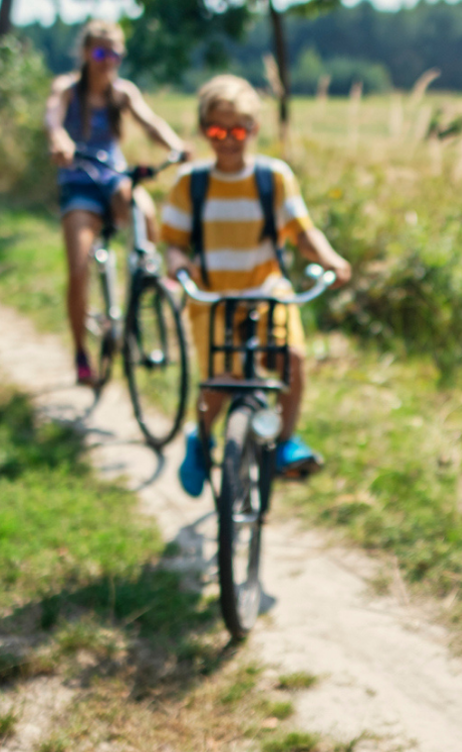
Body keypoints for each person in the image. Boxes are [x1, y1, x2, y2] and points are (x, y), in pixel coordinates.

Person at [158, 75, 352, 495]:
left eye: (238, 130)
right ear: (205, 129)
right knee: (220, 380)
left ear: (254, 129)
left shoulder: (273, 178)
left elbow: (302, 233)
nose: (228, 139)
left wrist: (331, 259)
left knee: (292, 362)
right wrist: (177, 268)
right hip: (213, 298)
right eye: (217, 130)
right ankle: (202, 438)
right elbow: (172, 242)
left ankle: (284, 443)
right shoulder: (190, 183)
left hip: (268, 292)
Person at [44, 19, 191, 386]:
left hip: (112, 177)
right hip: (78, 182)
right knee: (78, 268)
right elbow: (53, 119)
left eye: (114, 53)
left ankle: (149, 278)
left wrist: (175, 146)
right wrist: (59, 140)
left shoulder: (122, 93)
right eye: (99, 52)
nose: (107, 60)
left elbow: (151, 122)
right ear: (85, 54)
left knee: (141, 205)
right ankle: (81, 353)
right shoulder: (67, 89)